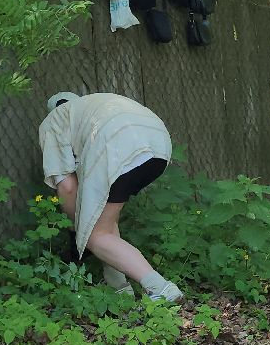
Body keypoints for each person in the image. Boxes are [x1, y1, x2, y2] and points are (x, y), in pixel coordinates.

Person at [38, 92, 182, 302]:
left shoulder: (54, 120)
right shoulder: (90, 109)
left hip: (119, 147)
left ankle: (160, 289)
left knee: (95, 235)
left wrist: (80, 229)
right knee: (104, 224)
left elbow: (67, 187)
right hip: (158, 145)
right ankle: (120, 289)